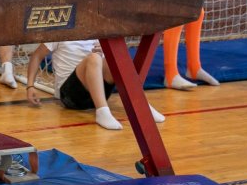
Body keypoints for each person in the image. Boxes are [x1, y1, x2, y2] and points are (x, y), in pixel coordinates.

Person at [26, 39, 165, 130]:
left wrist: (105, 51)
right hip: (71, 96)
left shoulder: (96, 33)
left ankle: (140, 105)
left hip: (95, 92)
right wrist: (30, 86)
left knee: (117, 56)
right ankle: (102, 111)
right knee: (93, 58)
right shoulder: (61, 33)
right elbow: (37, 56)